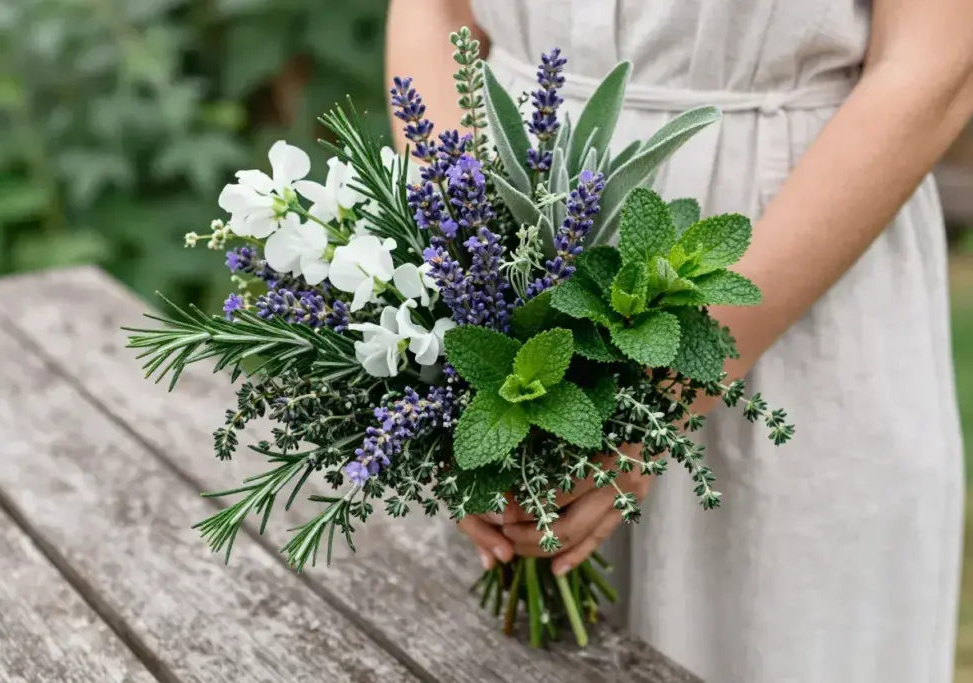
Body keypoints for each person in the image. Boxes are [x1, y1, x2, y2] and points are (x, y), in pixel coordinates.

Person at [386, 1, 973, 681]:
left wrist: (667, 395)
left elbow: (933, 67)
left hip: (792, 274)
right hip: (512, 226)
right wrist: (470, 284)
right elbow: (435, 13)